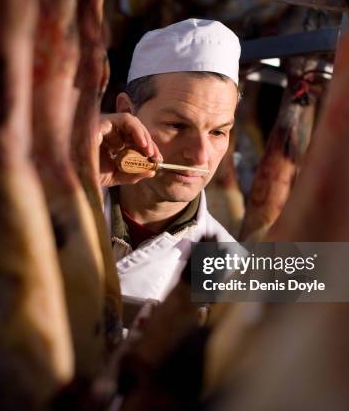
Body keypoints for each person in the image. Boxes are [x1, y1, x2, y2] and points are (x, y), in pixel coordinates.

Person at [98, 18, 247, 302]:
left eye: (218, 132)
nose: (200, 156)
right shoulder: (50, 205)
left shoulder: (233, 274)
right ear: (127, 113)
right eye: (177, 126)